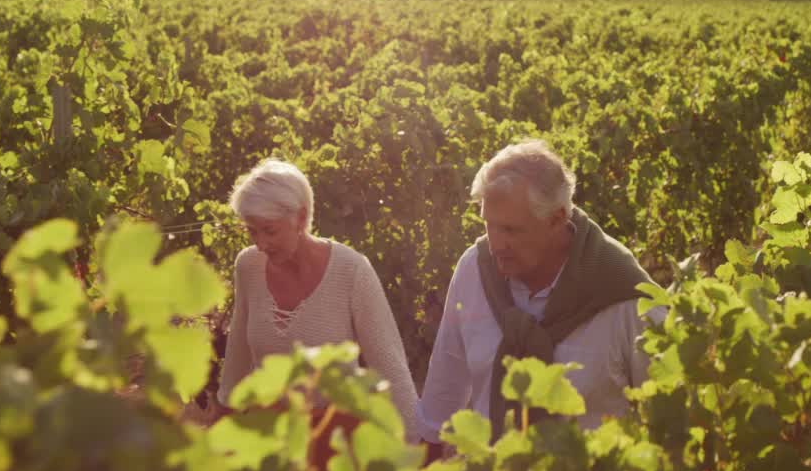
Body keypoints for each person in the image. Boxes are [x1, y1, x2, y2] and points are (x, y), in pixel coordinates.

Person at [417, 140, 667, 447]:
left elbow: (668, 425)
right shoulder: (474, 270)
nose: (496, 244)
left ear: (557, 219)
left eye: (511, 230)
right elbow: (443, 395)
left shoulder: (624, 297)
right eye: (488, 225)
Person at [216, 158, 420, 439]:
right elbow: (236, 361)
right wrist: (221, 434)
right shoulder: (248, 266)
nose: (261, 244)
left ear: (300, 217)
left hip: (333, 441)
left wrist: (414, 451)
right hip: (272, 441)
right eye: (252, 231)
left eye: (270, 230)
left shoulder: (351, 271)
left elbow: (391, 370)